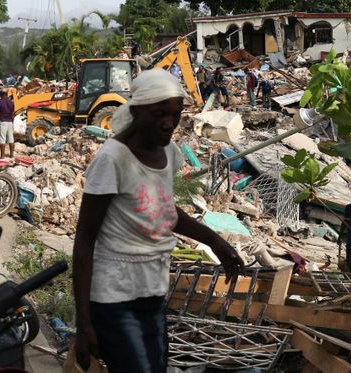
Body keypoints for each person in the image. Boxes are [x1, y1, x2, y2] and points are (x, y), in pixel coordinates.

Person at [73, 70, 244, 373]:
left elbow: (165, 212)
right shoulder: (112, 159)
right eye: (159, 114)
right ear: (136, 110)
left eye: (175, 114)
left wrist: (216, 241)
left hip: (152, 292)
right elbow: (85, 240)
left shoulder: (169, 151)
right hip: (114, 297)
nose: (169, 123)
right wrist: (83, 322)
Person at [0, 89, 16, 158]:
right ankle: (12, 155)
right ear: (7, 94)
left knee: (2, 139)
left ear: (0, 95)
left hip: (2, 122)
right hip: (10, 122)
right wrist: (12, 121)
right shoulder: (11, 103)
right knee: (11, 139)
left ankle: (2, 156)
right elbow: (12, 114)